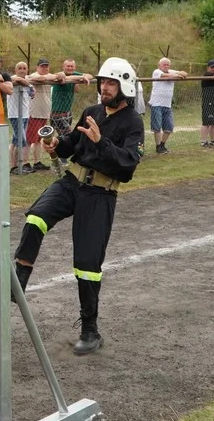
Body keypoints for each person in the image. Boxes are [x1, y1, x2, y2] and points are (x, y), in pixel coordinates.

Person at [12, 57, 144, 355]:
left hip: (100, 194)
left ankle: (90, 329)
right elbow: (71, 143)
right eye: (103, 82)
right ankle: (19, 280)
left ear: (125, 86)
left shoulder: (133, 123)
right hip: (71, 182)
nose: (105, 87)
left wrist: (101, 142)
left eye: (111, 83)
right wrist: (55, 144)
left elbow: (127, 167)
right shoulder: (92, 111)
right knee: (36, 218)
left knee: (87, 265)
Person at [149, 57, 187, 154]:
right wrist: (177, 75)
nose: (166, 66)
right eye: (164, 64)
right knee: (157, 127)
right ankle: (158, 146)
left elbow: (185, 73)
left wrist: (178, 74)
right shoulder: (156, 72)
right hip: (156, 103)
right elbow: (167, 77)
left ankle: (162, 145)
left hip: (167, 105)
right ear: (159, 65)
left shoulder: (171, 71)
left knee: (169, 127)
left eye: (168, 64)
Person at [27, 58, 59, 167]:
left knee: (40, 139)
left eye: (46, 66)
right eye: (42, 66)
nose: (45, 68)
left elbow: (61, 76)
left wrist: (55, 76)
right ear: (37, 67)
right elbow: (38, 78)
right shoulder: (34, 75)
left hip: (44, 112)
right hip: (35, 112)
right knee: (31, 139)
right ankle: (27, 162)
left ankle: (37, 161)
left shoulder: (50, 76)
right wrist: (54, 76)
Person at [8, 61, 34, 173]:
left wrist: (30, 85)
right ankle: (17, 166)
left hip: (24, 114)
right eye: (20, 68)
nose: (22, 70)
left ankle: (12, 166)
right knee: (21, 140)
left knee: (15, 140)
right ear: (15, 70)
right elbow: (17, 80)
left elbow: (33, 94)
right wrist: (29, 84)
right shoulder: (12, 79)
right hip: (15, 114)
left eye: (24, 68)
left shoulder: (28, 80)